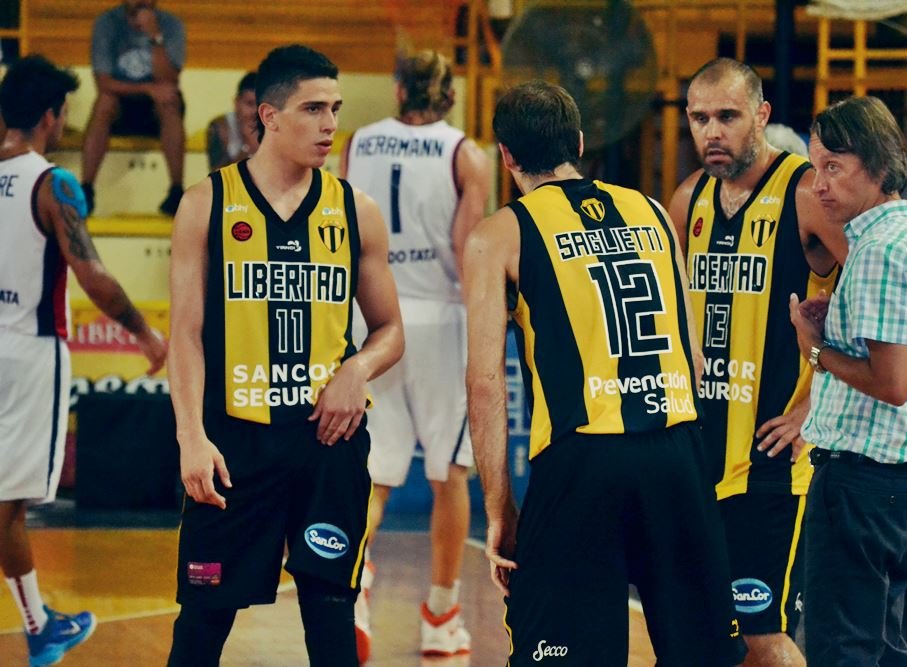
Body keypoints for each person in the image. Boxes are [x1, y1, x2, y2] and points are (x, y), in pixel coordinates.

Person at [465, 79, 745, 667]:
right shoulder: (652, 211)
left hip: (582, 460)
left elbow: (486, 384)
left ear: (507, 157)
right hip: (677, 452)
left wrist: (498, 508)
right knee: (702, 655)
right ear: (580, 142)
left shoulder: (498, 234)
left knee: (564, 655)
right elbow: (693, 358)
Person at [165, 44, 403, 667]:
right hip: (234, 445)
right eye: (313, 109)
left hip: (327, 442)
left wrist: (356, 369)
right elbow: (184, 335)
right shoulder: (207, 204)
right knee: (203, 620)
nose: (330, 125)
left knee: (331, 613)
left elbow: (389, 330)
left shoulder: (356, 209)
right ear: (268, 115)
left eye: (336, 109)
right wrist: (191, 436)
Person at [666, 58, 847, 667]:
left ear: (762, 115)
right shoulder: (688, 198)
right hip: (697, 454)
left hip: (771, 462)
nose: (712, 132)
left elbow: (871, 304)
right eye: (699, 119)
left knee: (762, 639)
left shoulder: (805, 193)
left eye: (728, 116)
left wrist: (813, 402)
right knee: (696, 633)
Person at [0, 54, 166, 667]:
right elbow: (91, 275)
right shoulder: (53, 185)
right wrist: (145, 334)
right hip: (29, 353)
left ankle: (41, 622)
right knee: (9, 506)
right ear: (52, 116)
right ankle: (40, 628)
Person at [790, 95, 907, 666]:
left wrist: (816, 352)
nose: (819, 185)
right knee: (879, 648)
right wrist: (834, 330)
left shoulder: (880, 251)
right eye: (815, 167)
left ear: (880, 167)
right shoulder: (905, 240)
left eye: (834, 167)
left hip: (862, 483)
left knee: (843, 650)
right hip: (896, 484)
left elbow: (892, 384)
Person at [339, 50, 489, 660]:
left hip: (371, 319)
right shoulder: (464, 153)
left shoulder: (357, 144)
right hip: (439, 319)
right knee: (448, 475)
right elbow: (467, 247)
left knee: (373, 476)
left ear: (399, 88)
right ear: (449, 93)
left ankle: (353, 588)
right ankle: (440, 614)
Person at [81, 0, 186, 216]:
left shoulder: (171, 24)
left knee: (169, 100)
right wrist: (148, 88)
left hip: (156, 108)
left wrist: (155, 36)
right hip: (120, 104)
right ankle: (86, 189)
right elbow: (103, 83)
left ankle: (176, 190)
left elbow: (169, 79)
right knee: (104, 102)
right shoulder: (107, 23)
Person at [206, 71, 259, 172]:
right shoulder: (221, 127)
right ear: (236, 103)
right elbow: (217, 177)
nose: (255, 111)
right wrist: (248, 147)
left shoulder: (274, 124)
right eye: (250, 104)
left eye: (261, 105)